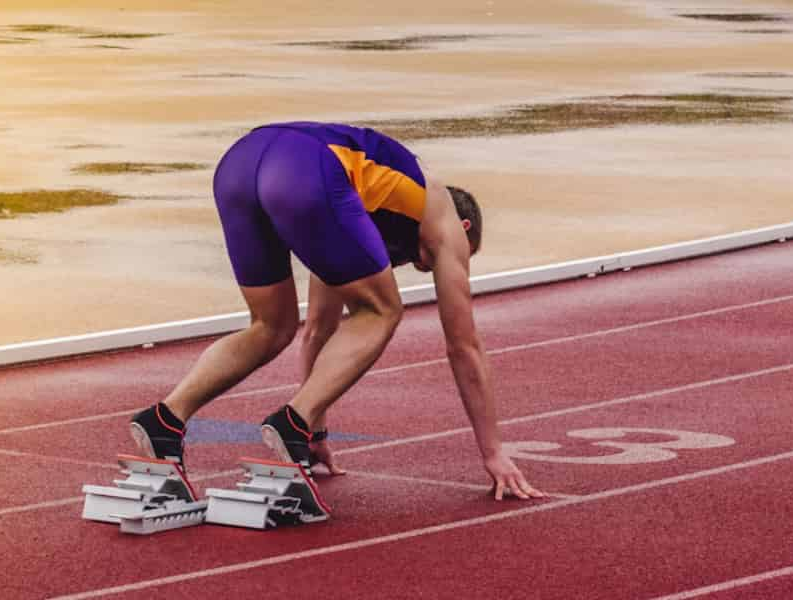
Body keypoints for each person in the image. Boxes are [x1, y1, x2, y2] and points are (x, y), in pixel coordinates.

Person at [127, 121, 545, 501]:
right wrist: (493, 452)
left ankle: (166, 419)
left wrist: (317, 429)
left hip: (240, 165)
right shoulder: (443, 214)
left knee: (271, 326)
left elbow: (320, 329)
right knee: (383, 310)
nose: (436, 268)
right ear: (465, 230)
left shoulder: (355, 212)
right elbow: (464, 346)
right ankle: (292, 424)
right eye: (461, 258)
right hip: (304, 168)